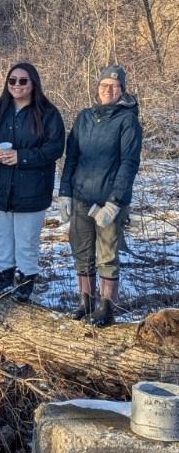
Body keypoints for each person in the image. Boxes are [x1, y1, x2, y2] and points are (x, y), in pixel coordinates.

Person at [0, 62, 66, 302]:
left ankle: (25, 287)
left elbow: (55, 147)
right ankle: (3, 285)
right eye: (12, 80)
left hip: (31, 191)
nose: (17, 85)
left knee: (26, 242)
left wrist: (22, 157)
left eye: (23, 81)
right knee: (0, 240)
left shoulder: (48, 113)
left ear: (33, 83)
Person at [58, 65, 142, 326]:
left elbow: (129, 162)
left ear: (122, 90)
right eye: (104, 85)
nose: (108, 90)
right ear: (97, 88)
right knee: (82, 251)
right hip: (82, 196)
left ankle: (106, 307)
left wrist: (115, 203)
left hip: (108, 201)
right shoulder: (84, 117)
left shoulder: (127, 120)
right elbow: (71, 157)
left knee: (107, 255)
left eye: (114, 86)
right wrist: (65, 193)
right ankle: (85, 302)